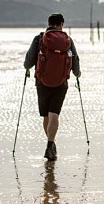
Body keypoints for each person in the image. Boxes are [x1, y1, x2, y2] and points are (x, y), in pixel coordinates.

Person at [24, 13, 81, 161]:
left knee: (46, 116)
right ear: (62, 24)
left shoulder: (39, 39)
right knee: (54, 114)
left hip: (42, 82)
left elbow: (28, 62)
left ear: (48, 23)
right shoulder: (68, 40)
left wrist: (28, 67)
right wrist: (77, 72)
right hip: (61, 83)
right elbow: (75, 58)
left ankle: (51, 145)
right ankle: (50, 144)